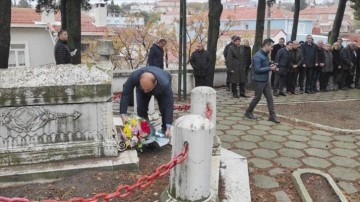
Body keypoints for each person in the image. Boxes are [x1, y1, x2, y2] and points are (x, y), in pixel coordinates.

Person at [120, 66, 174, 136]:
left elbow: (169, 105)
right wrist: (123, 114)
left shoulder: (165, 84)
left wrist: (168, 126)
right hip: (141, 89)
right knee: (141, 109)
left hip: (160, 90)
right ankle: (145, 132)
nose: (145, 91)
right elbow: (125, 94)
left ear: (155, 84)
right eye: (144, 88)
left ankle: (165, 130)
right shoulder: (134, 77)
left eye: (147, 89)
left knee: (164, 108)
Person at [244, 38, 280, 124]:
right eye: (271, 47)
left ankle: (272, 115)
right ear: (266, 45)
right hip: (259, 80)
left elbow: (264, 64)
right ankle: (248, 112)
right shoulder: (257, 56)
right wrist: (270, 68)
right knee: (257, 97)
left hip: (265, 80)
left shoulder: (265, 54)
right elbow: (256, 70)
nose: (272, 49)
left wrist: (270, 64)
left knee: (270, 98)